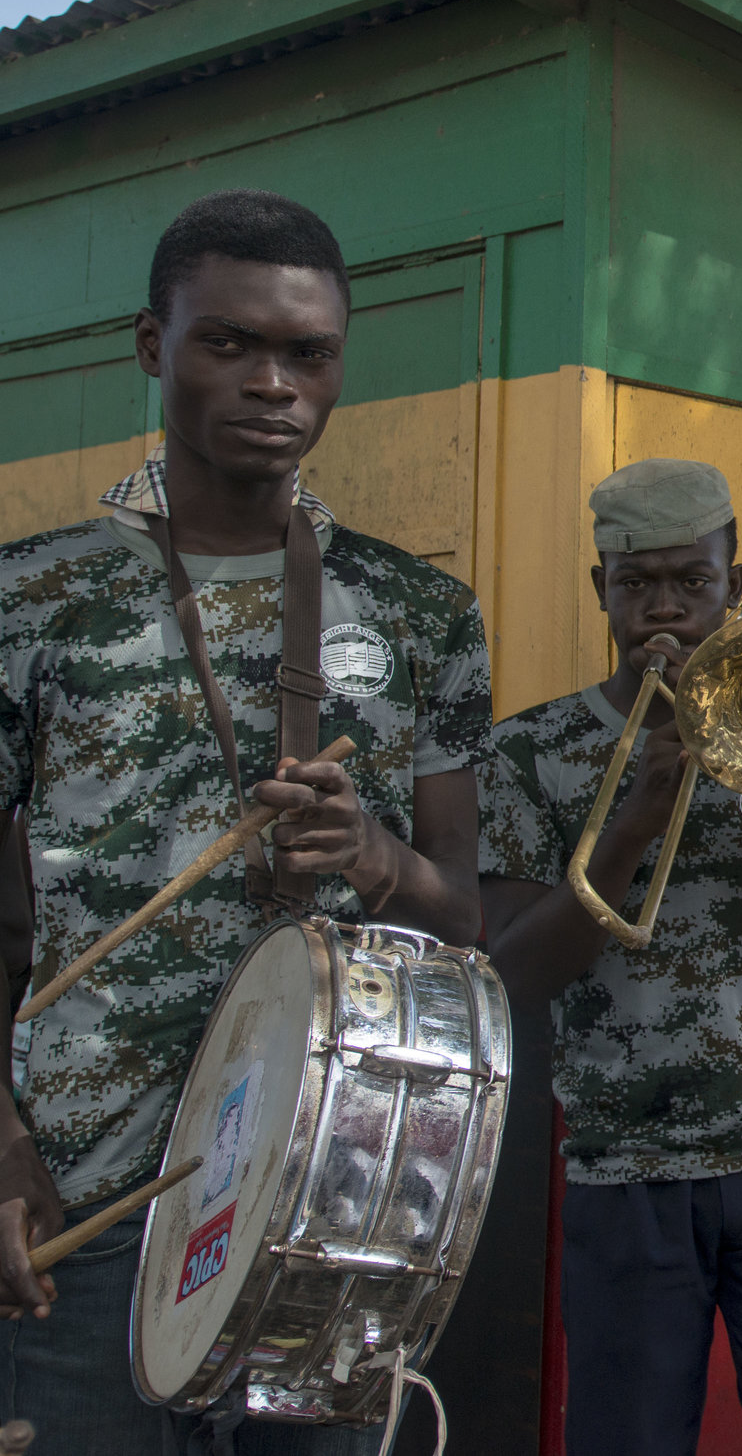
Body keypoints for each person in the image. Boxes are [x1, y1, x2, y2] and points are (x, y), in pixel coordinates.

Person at [0, 190, 492, 1451]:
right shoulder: (31, 599)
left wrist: (377, 857)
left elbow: (466, 913)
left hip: (331, 1205)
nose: (274, 382)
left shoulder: (424, 612)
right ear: (154, 345)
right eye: (230, 342)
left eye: (308, 354)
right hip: (86, 1205)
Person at [478, 458, 742, 1456]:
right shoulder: (526, 753)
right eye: (634, 584)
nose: (661, 608)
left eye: (690, 583)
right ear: (600, 591)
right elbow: (517, 975)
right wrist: (633, 819)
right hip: (630, 1170)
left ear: (735, 585)